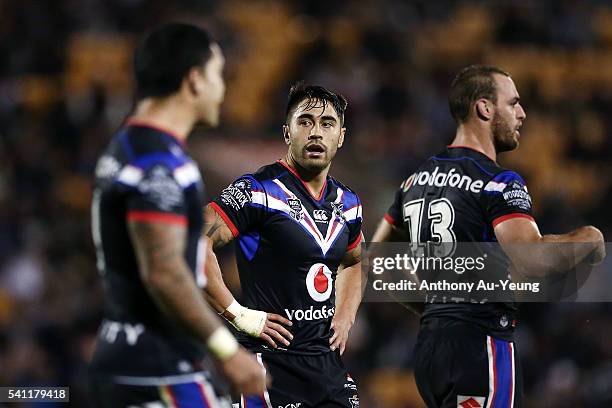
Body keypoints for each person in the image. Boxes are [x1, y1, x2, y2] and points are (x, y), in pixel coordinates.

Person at [371, 65, 605, 408]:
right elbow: (533, 259)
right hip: (479, 346)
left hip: (430, 350)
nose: (522, 114)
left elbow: (379, 260)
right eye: (513, 104)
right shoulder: (498, 181)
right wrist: (590, 238)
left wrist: (438, 308)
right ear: (484, 108)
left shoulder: (415, 181)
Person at [88, 23, 266, 407]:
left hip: (128, 358)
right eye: (219, 74)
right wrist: (227, 351)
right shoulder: (161, 165)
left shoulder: (125, 148)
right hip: (158, 370)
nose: (223, 88)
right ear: (195, 79)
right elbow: (165, 271)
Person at [202, 82, 364, 407]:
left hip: (327, 367)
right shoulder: (257, 190)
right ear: (288, 133)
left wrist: (345, 315)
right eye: (305, 122)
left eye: (327, 123)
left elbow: (354, 261)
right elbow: (192, 241)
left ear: (341, 136)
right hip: (269, 367)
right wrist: (236, 313)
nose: (316, 132)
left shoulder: (348, 203)